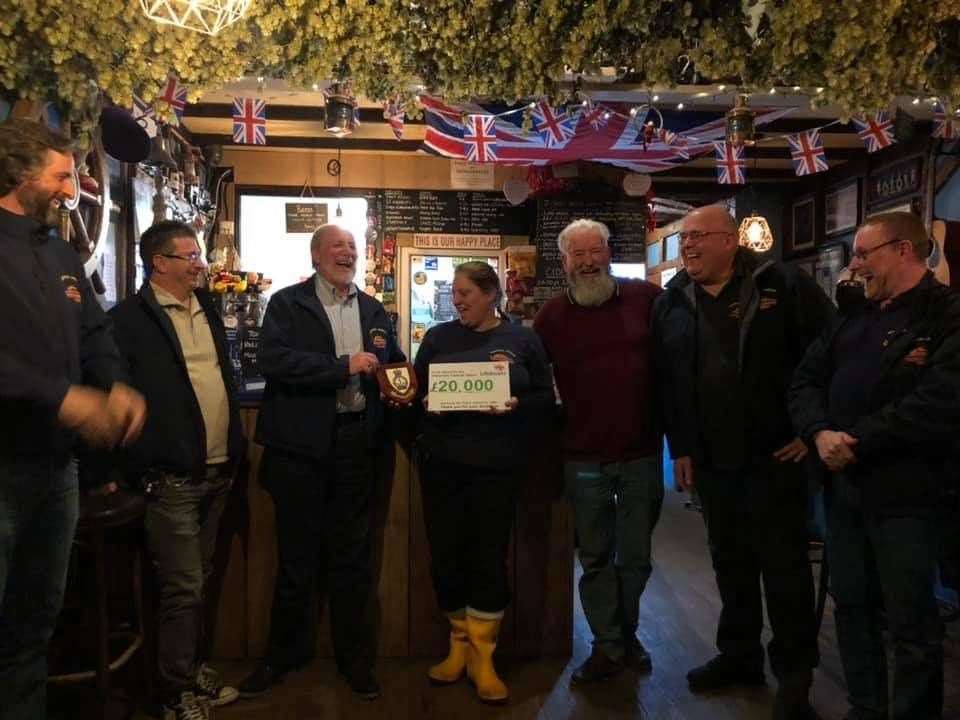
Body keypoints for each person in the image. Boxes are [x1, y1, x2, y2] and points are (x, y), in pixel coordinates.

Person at [652, 204, 833, 719]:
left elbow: (829, 353)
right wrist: (681, 446)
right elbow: (671, 385)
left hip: (777, 456)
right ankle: (740, 657)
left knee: (785, 571)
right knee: (729, 565)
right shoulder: (673, 303)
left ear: (731, 241)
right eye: (684, 238)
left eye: (697, 236)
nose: (687, 246)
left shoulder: (784, 288)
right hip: (712, 461)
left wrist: (810, 428)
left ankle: (795, 678)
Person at [0, 119, 145, 718]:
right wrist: (60, 397)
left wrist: (113, 385)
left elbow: (95, 331)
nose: (70, 189)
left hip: (56, 468)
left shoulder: (59, 250)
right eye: (61, 176)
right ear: (18, 171)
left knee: (34, 628)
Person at [790, 211, 960, 720]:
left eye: (864, 254)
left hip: (910, 491)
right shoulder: (853, 317)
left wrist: (856, 441)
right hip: (845, 488)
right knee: (852, 605)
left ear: (903, 250)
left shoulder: (946, 314)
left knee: (910, 619)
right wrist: (819, 432)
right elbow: (804, 381)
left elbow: (941, 401)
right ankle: (866, 707)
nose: (855, 265)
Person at [240, 224, 405, 701]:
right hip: (300, 449)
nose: (347, 253)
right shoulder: (288, 303)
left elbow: (389, 363)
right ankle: (280, 657)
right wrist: (340, 367)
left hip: (356, 445)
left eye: (352, 247)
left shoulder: (374, 308)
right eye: (337, 247)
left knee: (353, 562)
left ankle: (356, 663)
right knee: (296, 561)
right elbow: (272, 361)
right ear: (316, 256)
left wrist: (404, 387)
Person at [107, 220, 245, 719]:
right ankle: (173, 691)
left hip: (217, 468)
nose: (200, 265)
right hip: (170, 475)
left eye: (199, 256)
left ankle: (188, 669)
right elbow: (117, 393)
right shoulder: (127, 319)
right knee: (182, 586)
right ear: (158, 263)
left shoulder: (206, 306)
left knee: (200, 579)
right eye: (189, 257)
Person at [414, 261, 554, 703]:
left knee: (488, 558)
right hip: (443, 466)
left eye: (466, 293)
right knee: (447, 557)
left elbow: (545, 401)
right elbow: (417, 392)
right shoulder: (437, 337)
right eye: (454, 293)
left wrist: (517, 404)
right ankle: (458, 648)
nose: (457, 300)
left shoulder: (522, 339)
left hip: (497, 466)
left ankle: (483, 657)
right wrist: (425, 405)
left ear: (491, 294)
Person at [533, 219, 664, 685]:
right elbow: (528, 376)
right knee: (594, 557)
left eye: (596, 252)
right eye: (577, 255)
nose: (588, 262)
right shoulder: (549, 317)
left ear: (609, 253)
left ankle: (623, 636)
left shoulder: (647, 300)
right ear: (563, 261)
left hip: (642, 452)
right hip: (581, 455)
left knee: (636, 558)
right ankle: (610, 645)